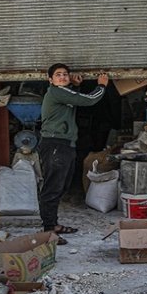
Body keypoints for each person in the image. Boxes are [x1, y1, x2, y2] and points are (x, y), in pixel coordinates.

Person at [38, 63, 110, 245]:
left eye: (65, 74)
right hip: (55, 144)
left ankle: (53, 225)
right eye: (58, 75)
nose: (62, 77)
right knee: (52, 188)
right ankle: (48, 231)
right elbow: (88, 100)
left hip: (65, 144)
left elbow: (71, 98)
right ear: (50, 80)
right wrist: (102, 85)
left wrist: (75, 86)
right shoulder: (55, 92)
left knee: (62, 186)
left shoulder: (63, 93)